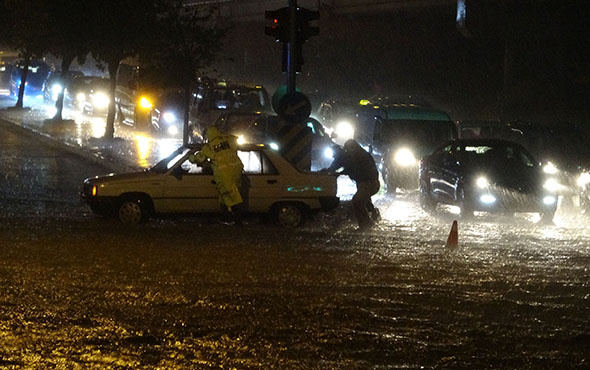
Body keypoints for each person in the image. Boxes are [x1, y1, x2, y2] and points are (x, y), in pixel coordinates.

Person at [190, 126, 244, 223]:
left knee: (230, 195)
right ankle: (227, 217)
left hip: (224, 172)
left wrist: (191, 158)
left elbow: (200, 159)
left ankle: (236, 219)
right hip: (237, 169)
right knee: (232, 192)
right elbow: (235, 142)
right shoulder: (228, 140)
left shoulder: (209, 147)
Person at [324, 140, 381, 229]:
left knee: (357, 201)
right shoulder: (357, 155)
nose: (347, 151)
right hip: (366, 183)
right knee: (364, 201)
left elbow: (350, 168)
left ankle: (366, 223)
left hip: (368, 183)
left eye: (348, 149)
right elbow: (337, 166)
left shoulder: (359, 156)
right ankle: (372, 217)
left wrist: (337, 173)